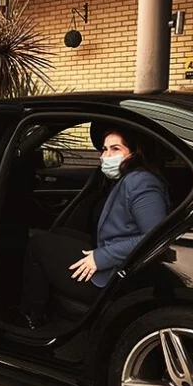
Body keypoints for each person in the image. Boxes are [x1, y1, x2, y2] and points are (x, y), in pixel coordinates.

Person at [17, 127, 170, 329]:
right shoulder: (128, 178)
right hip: (115, 257)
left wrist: (101, 257)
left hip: (115, 278)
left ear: (134, 153)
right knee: (58, 234)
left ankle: (32, 317)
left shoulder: (141, 182)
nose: (106, 156)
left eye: (115, 149)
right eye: (105, 149)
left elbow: (155, 239)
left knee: (37, 244)